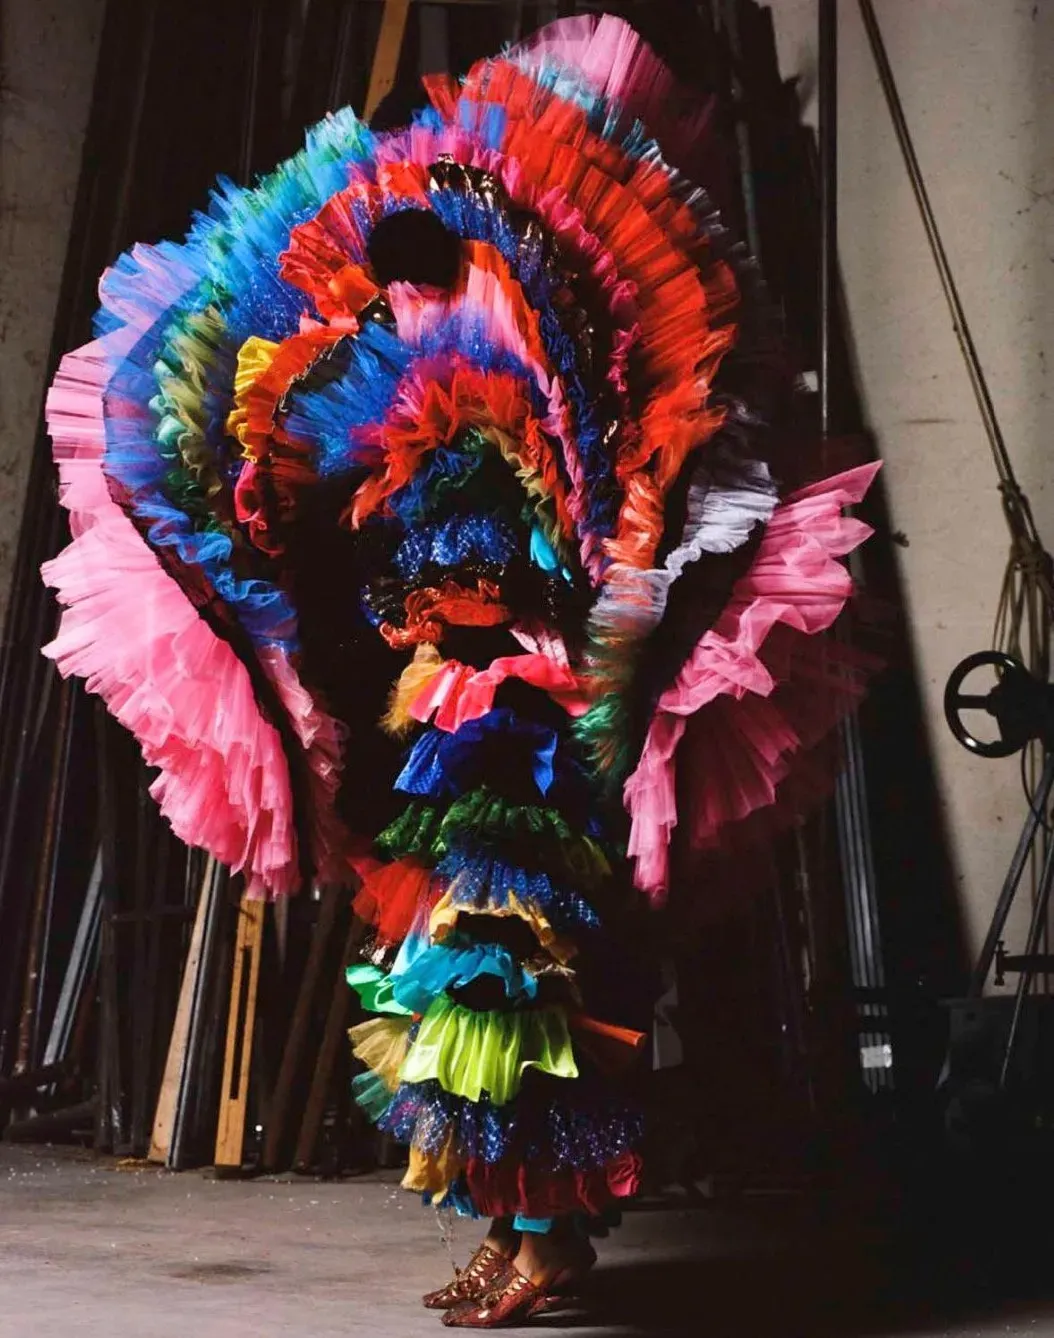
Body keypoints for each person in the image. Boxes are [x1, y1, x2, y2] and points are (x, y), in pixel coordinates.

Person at [42, 14, 876, 1327]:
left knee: (521, 974)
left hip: (525, 715)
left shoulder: (541, 359)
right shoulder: (368, 371)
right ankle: (518, 1225)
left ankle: (542, 1232)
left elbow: (617, 523)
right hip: (439, 707)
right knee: (455, 983)